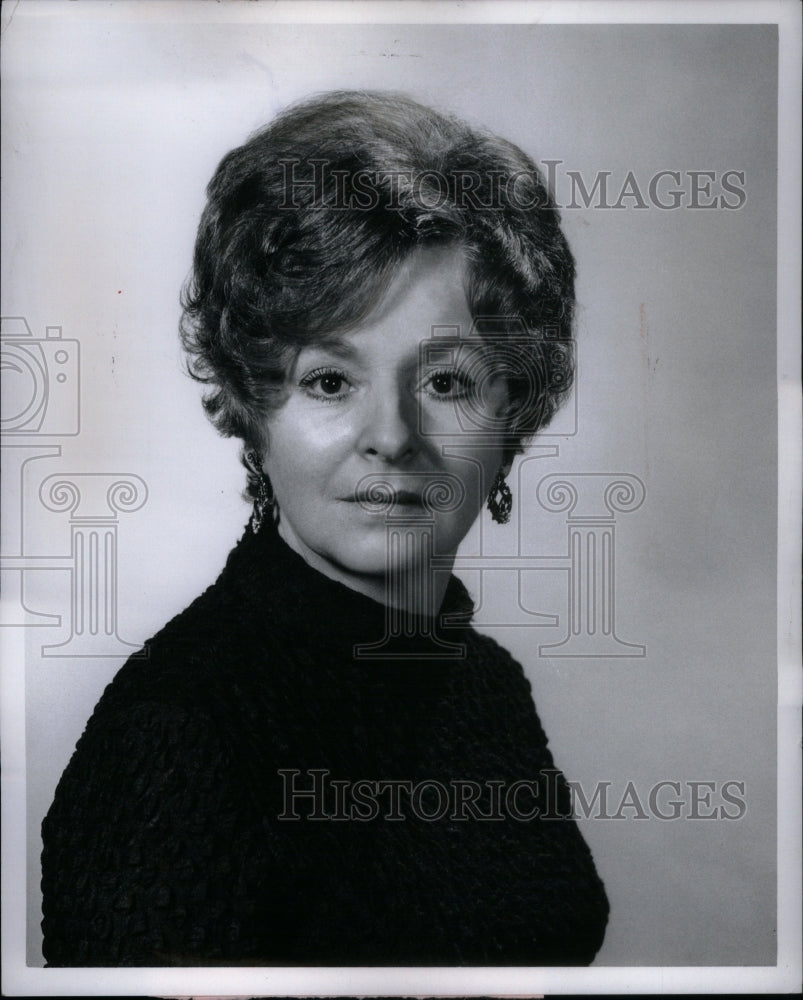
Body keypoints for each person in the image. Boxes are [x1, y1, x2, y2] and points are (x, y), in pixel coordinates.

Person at [40, 91, 609, 967]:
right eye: (329, 382)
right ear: (252, 405)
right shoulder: (179, 731)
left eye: (448, 382)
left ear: (514, 412)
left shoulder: (484, 684)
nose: (390, 434)